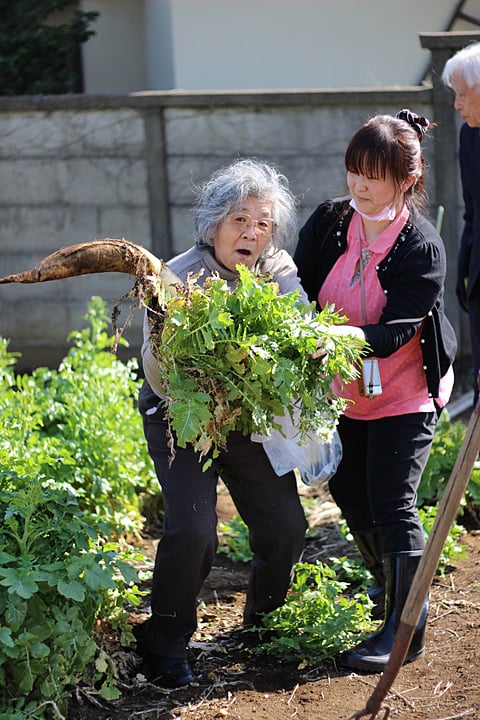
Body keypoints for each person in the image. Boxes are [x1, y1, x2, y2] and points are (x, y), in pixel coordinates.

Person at [293, 110, 457, 672]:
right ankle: (392, 598)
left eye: (374, 176)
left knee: (392, 502)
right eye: (353, 171)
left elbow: (394, 333)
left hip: (404, 390)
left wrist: (336, 334)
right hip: (343, 390)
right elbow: (298, 287)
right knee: (350, 497)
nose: (359, 186)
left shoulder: (421, 247)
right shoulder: (331, 221)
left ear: (405, 181)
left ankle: (406, 630)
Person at [136, 158, 308, 687]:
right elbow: (159, 372)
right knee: (193, 531)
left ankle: (262, 628)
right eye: (240, 220)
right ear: (213, 223)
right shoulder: (174, 276)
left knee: (286, 527)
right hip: (179, 415)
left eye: (263, 223)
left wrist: (312, 347)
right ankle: (164, 642)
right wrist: (203, 382)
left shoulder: (276, 272)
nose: (252, 233)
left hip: (242, 418)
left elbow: (301, 323)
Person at [442, 43, 480, 405]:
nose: (456, 105)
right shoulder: (469, 135)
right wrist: (464, 271)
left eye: (463, 95)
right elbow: (472, 208)